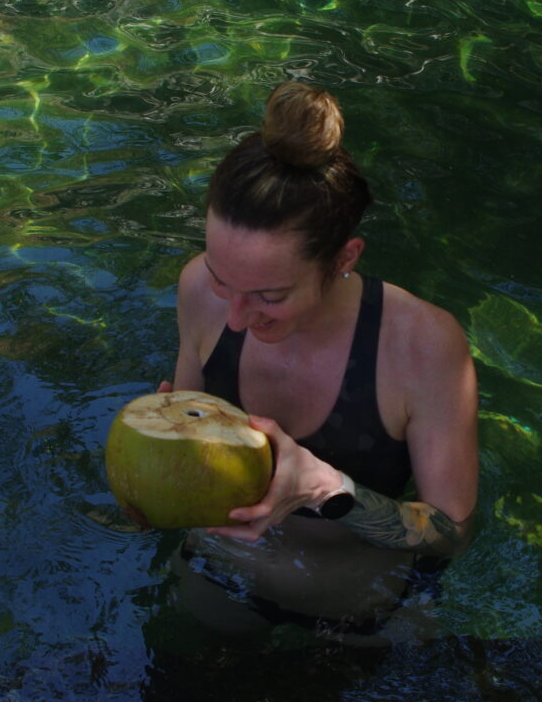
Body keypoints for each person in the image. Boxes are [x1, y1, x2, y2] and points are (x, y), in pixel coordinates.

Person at [164, 81, 479, 641]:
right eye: (221, 279)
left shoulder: (422, 345)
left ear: (343, 258)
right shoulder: (197, 290)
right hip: (217, 578)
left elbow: (451, 532)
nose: (235, 317)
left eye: (270, 296)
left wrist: (328, 490)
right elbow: (188, 453)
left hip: (355, 613)